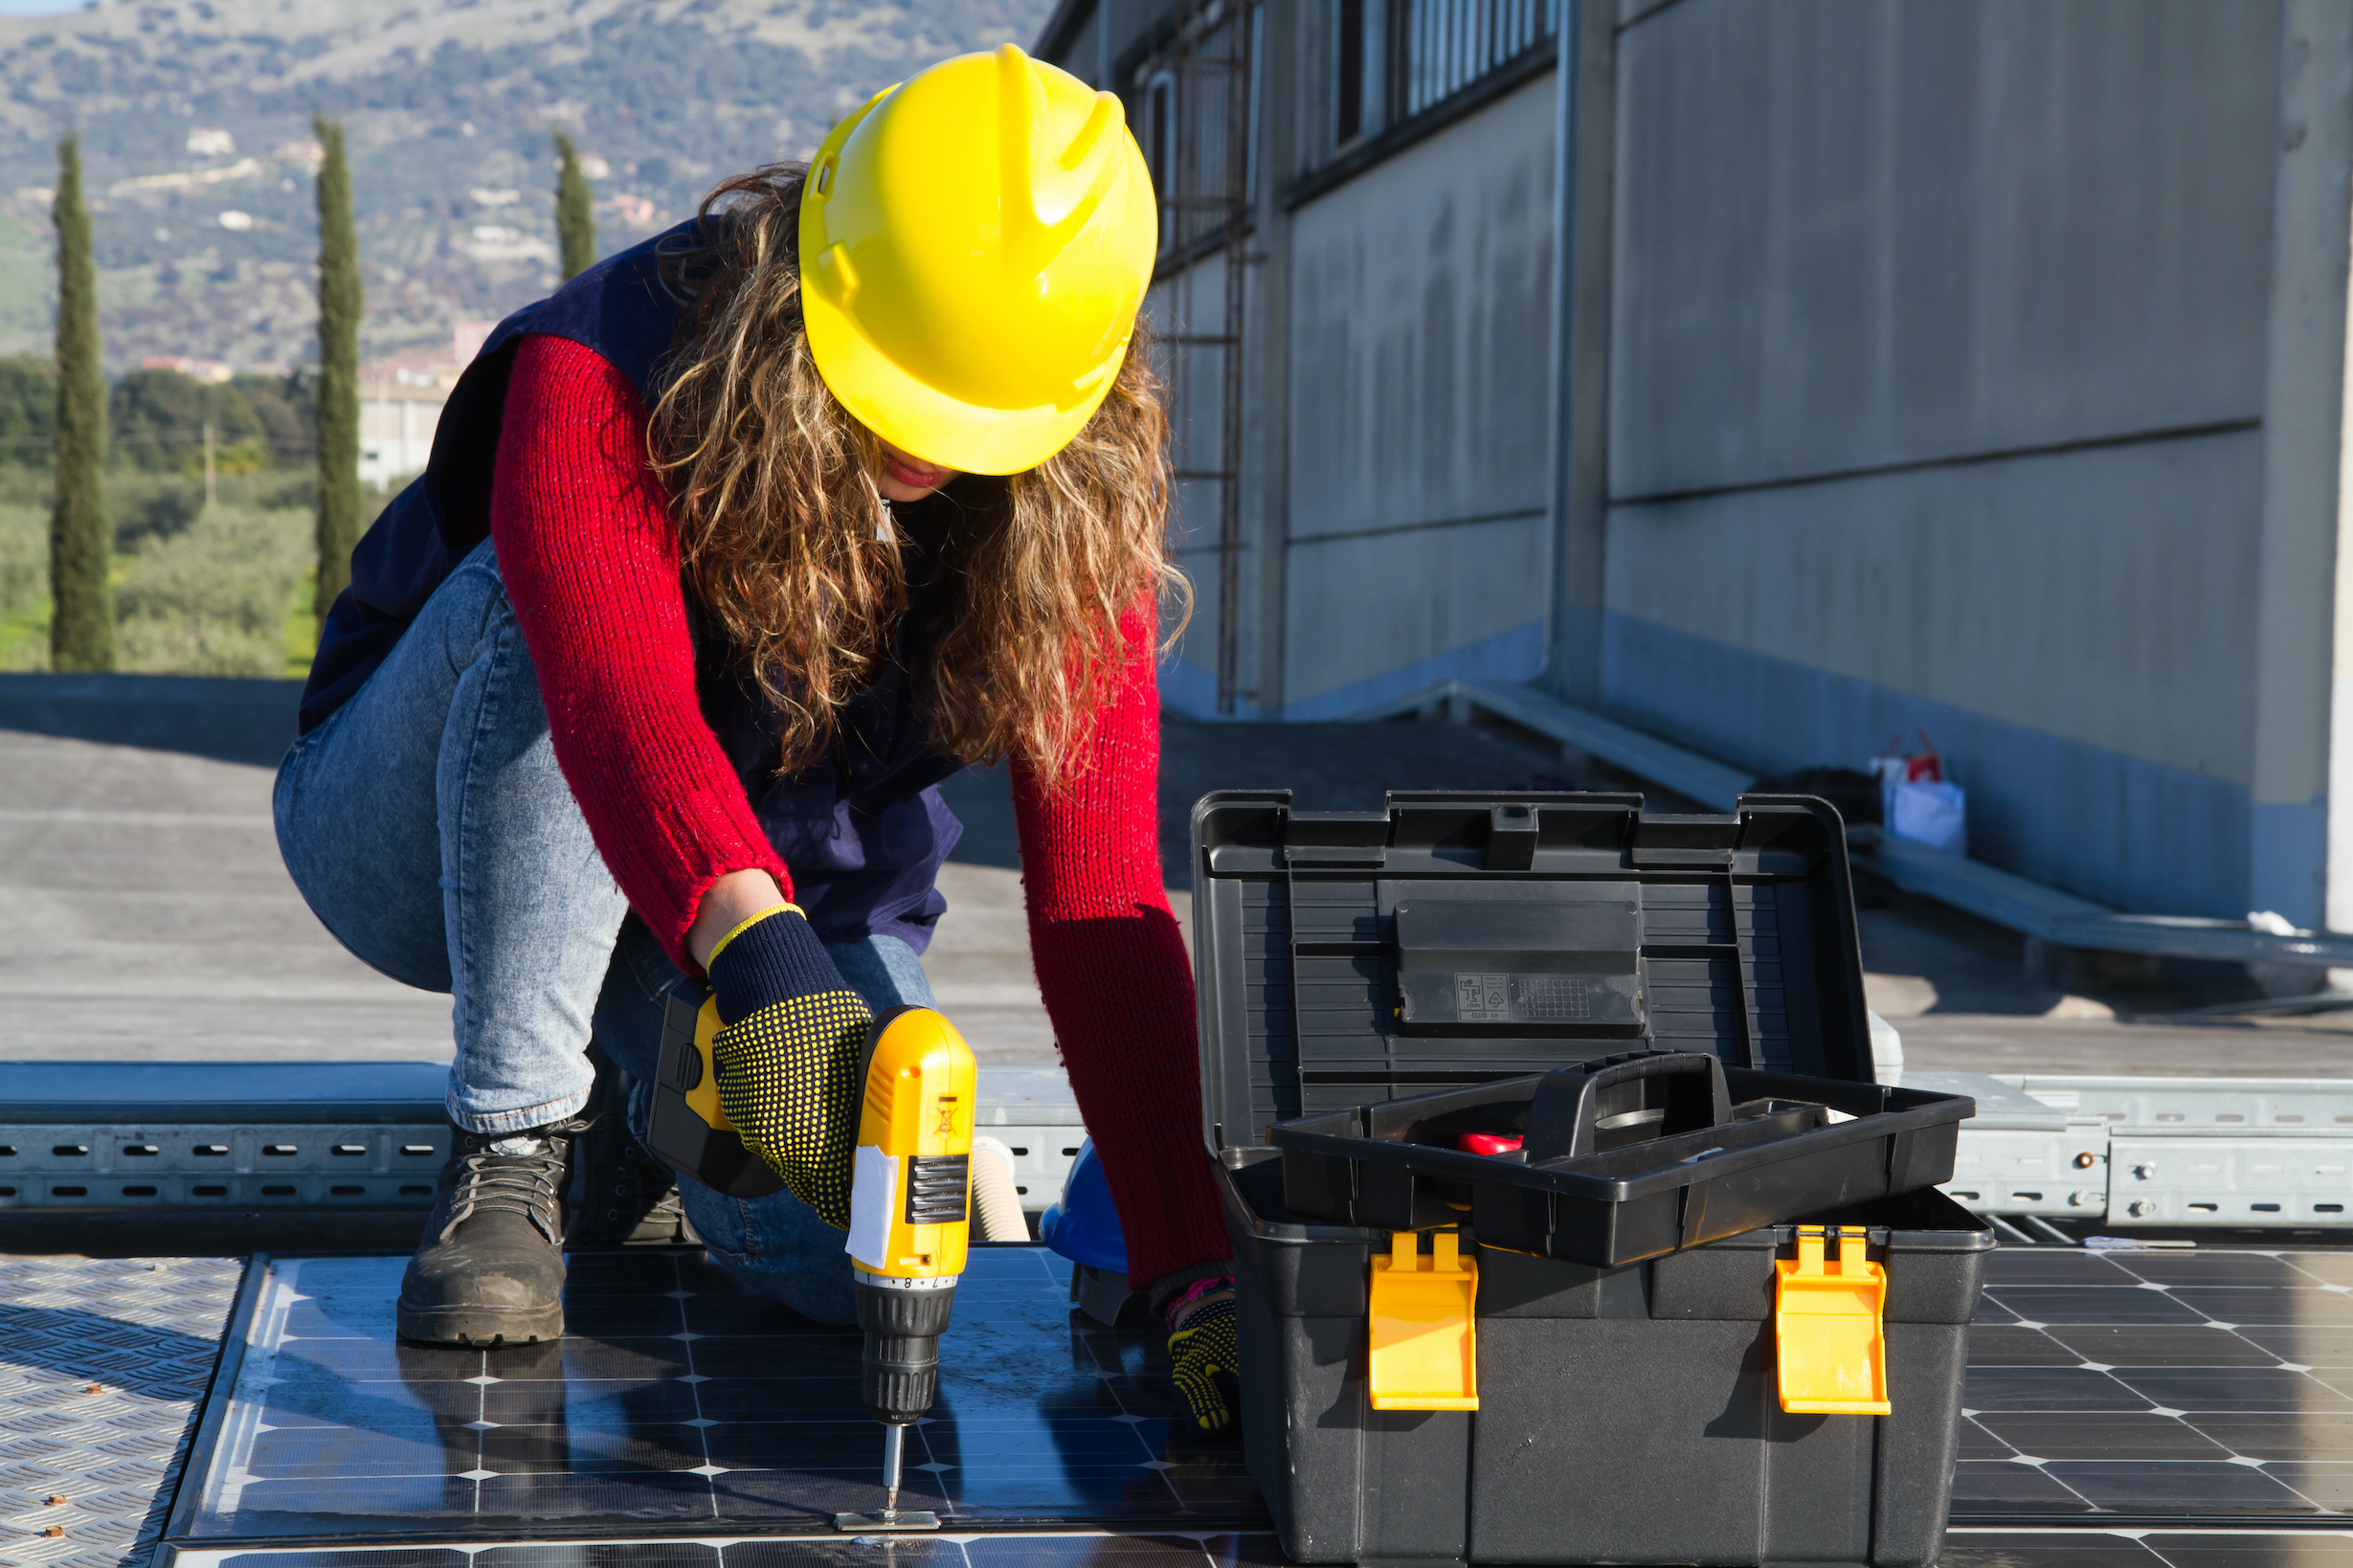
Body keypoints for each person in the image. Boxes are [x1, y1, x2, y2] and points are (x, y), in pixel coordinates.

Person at [273, 45, 1240, 1430]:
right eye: (901, 384)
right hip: (428, 830)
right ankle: (509, 1150)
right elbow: (622, 717)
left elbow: (1100, 893)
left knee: (880, 1250)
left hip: (745, 896)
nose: (931, 444)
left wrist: (1189, 1258)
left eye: (975, 416)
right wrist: (765, 975)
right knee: (522, 610)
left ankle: (640, 1106)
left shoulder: (1064, 486)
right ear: (818, 280)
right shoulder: (601, 363)